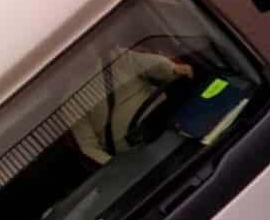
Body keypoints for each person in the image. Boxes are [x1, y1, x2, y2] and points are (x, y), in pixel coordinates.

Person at [63, 47, 191, 165]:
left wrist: (173, 69)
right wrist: (118, 168)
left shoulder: (117, 56)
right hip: (135, 152)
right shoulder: (70, 100)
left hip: (169, 122)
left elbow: (152, 64)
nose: (81, 52)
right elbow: (87, 147)